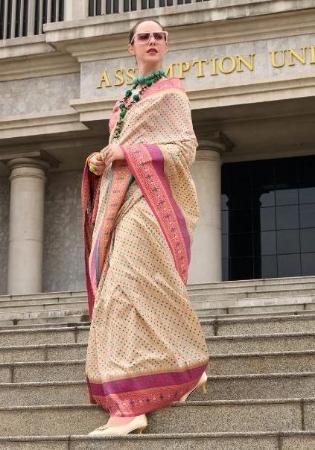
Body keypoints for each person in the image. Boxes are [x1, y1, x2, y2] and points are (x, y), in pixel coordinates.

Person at [81, 17, 210, 437]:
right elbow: (118, 146)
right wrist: (103, 159)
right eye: (144, 36)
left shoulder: (171, 93)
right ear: (131, 46)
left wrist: (127, 151)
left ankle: (131, 404)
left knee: (128, 285)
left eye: (158, 36)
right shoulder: (124, 100)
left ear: (166, 45)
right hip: (121, 199)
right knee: (138, 285)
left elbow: (184, 147)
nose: (152, 41)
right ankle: (184, 365)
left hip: (152, 200)